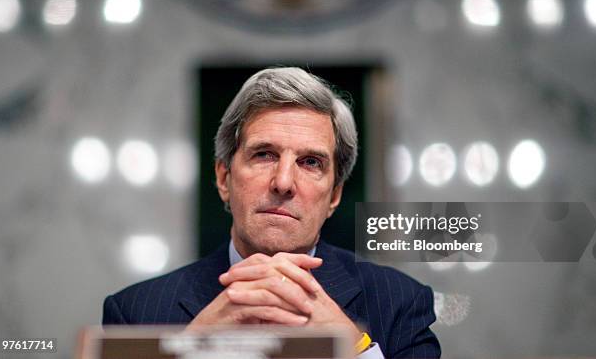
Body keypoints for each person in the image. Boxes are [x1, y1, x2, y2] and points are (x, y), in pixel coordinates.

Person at [102, 67, 441, 358]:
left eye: (310, 162)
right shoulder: (136, 312)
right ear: (224, 178)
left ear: (335, 195)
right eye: (264, 154)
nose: (283, 182)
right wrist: (191, 347)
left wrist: (355, 348)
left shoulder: (400, 305)